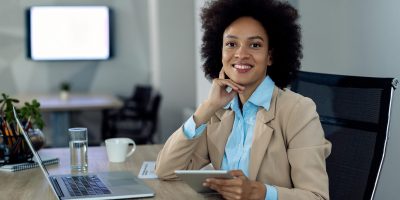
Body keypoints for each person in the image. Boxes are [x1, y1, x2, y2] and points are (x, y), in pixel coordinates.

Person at [155, 0, 331, 199]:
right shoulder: (218, 111)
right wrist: (207, 107)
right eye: (231, 44)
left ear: (270, 56)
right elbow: (166, 170)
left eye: (255, 45)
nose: (241, 54)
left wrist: (260, 192)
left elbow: (317, 196)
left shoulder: (299, 111)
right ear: (220, 53)